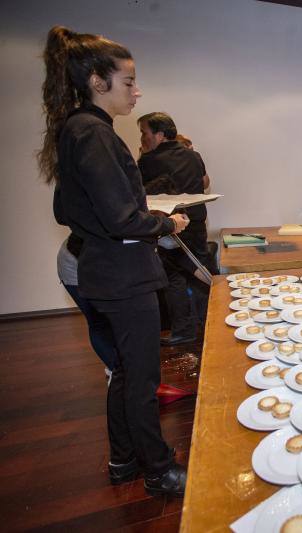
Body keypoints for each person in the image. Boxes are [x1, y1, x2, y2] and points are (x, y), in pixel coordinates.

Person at [39, 25, 189, 496]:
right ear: (96, 82)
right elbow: (124, 218)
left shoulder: (76, 130)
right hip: (125, 278)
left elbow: (66, 210)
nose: (137, 91)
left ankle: (124, 460)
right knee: (142, 378)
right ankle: (158, 470)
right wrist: (167, 224)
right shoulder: (95, 134)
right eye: (128, 82)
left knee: (124, 372)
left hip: (103, 272)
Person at [137, 112, 215, 345]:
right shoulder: (194, 156)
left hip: (170, 226)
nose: (143, 138)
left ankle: (183, 330)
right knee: (201, 274)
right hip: (196, 223)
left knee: (173, 278)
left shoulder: (147, 161)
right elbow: (204, 183)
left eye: (144, 133)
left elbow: (138, 194)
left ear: (159, 135)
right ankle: (209, 326)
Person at [57, 233, 118, 379]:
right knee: (99, 322)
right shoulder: (96, 229)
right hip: (75, 267)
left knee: (113, 321)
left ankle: (120, 368)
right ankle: (114, 370)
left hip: (98, 264)